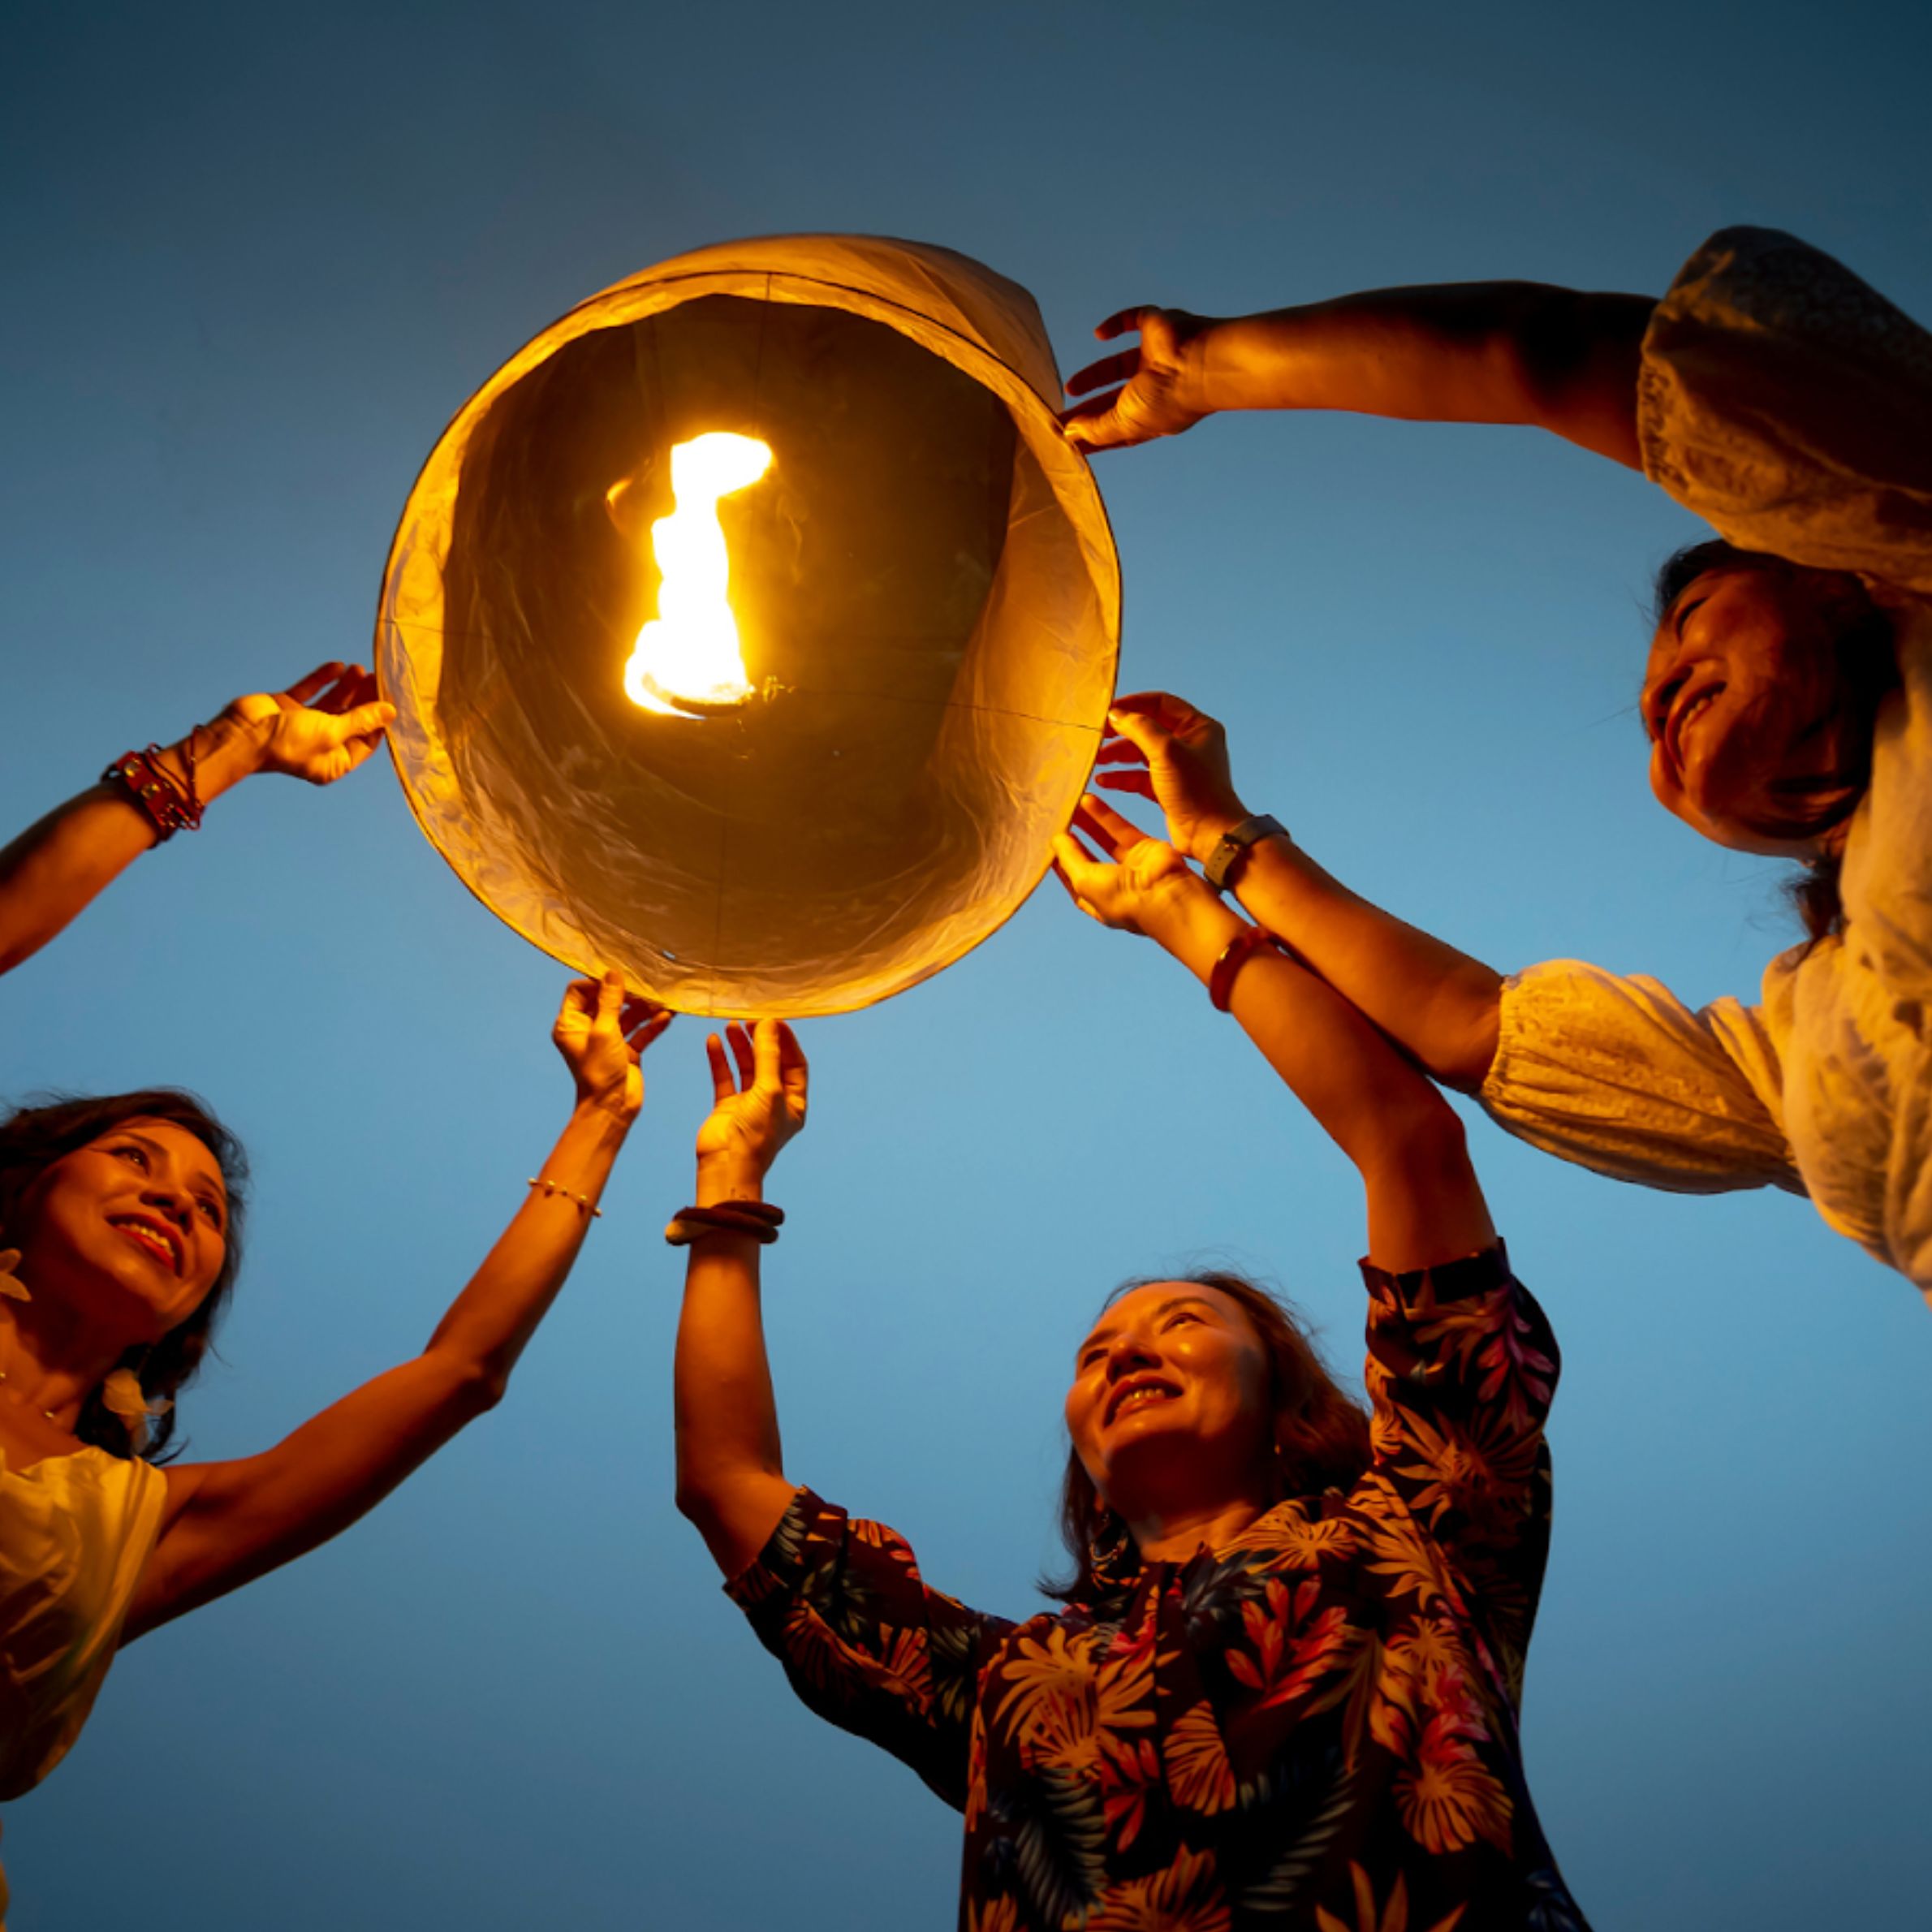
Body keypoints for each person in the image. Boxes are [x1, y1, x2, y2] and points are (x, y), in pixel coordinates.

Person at [671, 762, 1589, 1927]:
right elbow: (727, 1487)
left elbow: (1409, 1138)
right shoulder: (1003, 1690)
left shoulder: (1427, 1525)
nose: (1122, 1354)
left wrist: (1177, 906)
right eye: (1095, 1350)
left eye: (1183, 1322)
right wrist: (727, 1187)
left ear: (1286, 1397)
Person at [1060, 227, 1932, 1300]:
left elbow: (1553, 353)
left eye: (1697, 615)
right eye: (1655, 723)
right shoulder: (1819, 1040)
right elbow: (1479, 1028)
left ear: (1823, 557)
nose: (1658, 695)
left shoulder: (1915, 529)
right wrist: (1219, 842)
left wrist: (1209, 367)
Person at [0, 665, 668, 1926]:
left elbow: (458, 1376)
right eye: (134, 1159)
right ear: (24, 1188)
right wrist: (225, 750)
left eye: (204, 1212)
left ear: (183, 1315)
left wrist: (600, 1116)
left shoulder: (141, 1528)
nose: (174, 1203)